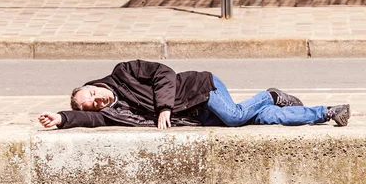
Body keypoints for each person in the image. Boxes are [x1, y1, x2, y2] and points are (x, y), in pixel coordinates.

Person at [38, 60, 350, 129]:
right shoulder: (106, 114)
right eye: (90, 104)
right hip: (197, 115)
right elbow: (84, 119)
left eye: (92, 93)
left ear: (95, 85)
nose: (96, 101)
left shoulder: (123, 72)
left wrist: (164, 108)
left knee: (235, 116)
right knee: (265, 119)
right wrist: (63, 118)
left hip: (200, 88)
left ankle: (269, 93)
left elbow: (164, 72)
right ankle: (327, 112)